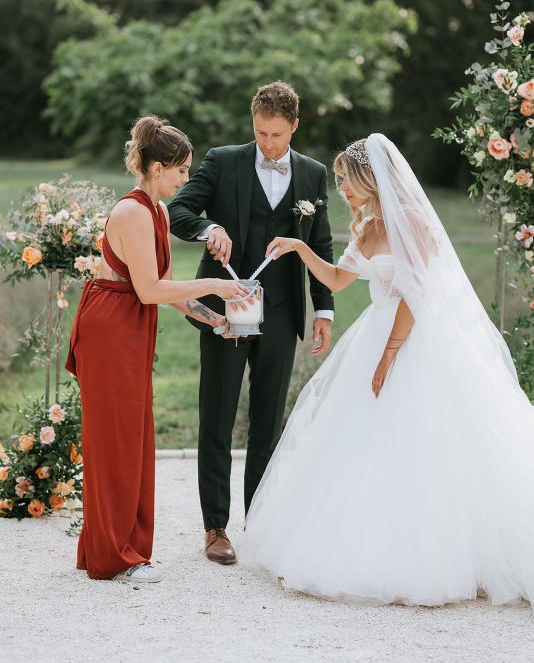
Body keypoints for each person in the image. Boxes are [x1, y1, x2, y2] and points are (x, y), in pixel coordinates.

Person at [240, 133, 534, 607]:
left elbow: (417, 294)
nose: (342, 192)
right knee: (360, 434)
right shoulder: (367, 228)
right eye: (338, 183)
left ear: (369, 179)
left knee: (420, 436)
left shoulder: (414, 222)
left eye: (346, 182)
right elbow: (338, 279)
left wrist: (390, 353)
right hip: (377, 330)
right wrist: (298, 247)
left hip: (414, 337)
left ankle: (440, 554)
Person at [66, 115, 249, 583]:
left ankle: (121, 548)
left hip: (131, 325)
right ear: (156, 167)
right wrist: (214, 283)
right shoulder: (130, 212)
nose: (186, 180)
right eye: (181, 171)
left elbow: (162, 288)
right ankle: (112, 557)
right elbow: (149, 290)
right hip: (111, 327)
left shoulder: (159, 211)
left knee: (133, 438)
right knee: (114, 441)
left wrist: (214, 320)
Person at [168, 81, 335, 564]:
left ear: (294, 127)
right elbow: (179, 210)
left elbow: (319, 243)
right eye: (261, 133)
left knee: (267, 424)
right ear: (253, 123)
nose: (269, 144)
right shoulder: (223, 161)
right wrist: (209, 228)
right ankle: (215, 528)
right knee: (217, 416)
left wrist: (322, 309)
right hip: (225, 307)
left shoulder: (313, 174)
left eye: (278, 135)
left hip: (281, 313)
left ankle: (260, 523)